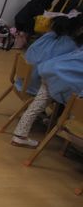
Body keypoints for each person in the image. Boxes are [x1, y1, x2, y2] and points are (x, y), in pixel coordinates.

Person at [12, 14, 83, 148]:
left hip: (47, 73)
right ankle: (58, 124)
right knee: (71, 104)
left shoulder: (49, 37)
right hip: (56, 80)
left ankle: (20, 134)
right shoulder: (72, 45)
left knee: (36, 106)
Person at [17, 14, 83, 96]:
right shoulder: (72, 45)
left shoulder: (49, 36)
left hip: (21, 79)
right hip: (35, 87)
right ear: (80, 29)